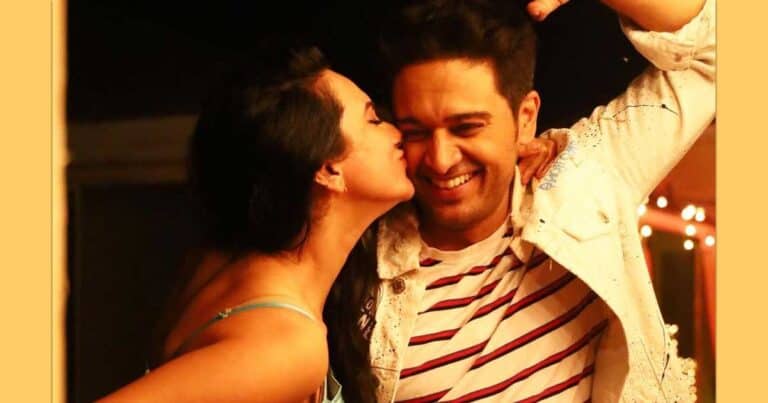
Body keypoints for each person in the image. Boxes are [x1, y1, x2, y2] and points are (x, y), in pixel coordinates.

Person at [96, 45, 556, 402]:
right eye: (374, 120)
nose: (398, 134)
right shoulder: (290, 345)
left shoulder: (220, 264)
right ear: (329, 169)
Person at [344, 0, 715, 401]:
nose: (441, 159)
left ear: (525, 119)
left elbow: (723, 47)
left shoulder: (580, 178)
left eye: (466, 128)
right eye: (416, 132)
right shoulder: (357, 270)